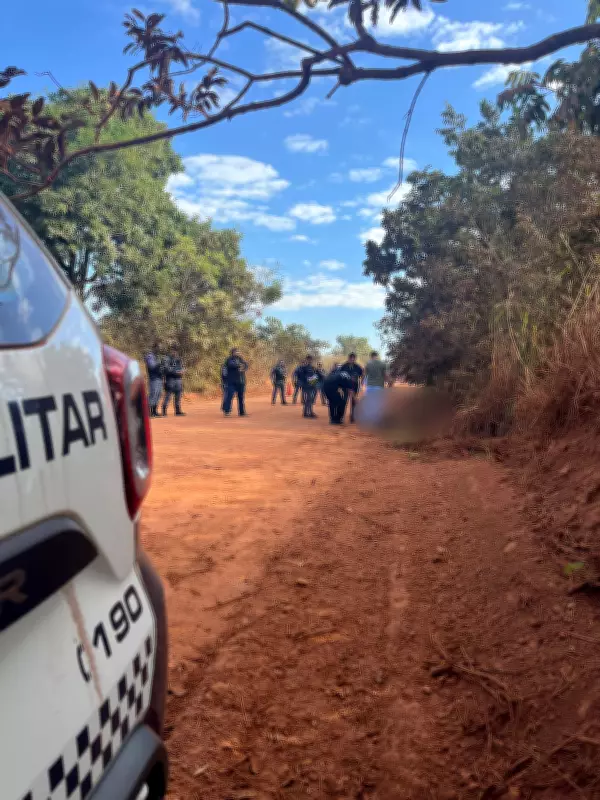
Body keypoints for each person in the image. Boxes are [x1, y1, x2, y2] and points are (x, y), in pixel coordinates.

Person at [222, 347, 248, 416]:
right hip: (231, 382)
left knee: (241, 397)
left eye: (239, 352)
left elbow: (246, 365)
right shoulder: (229, 360)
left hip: (241, 382)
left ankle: (242, 412)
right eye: (236, 352)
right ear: (233, 353)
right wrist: (224, 381)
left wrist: (243, 367)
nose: (238, 353)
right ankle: (227, 411)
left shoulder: (241, 359)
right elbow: (231, 366)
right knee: (230, 396)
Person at [340, 352, 364, 423]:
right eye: (351, 358)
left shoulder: (358, 367)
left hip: (355, 387)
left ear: (355, 358)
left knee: (353, 402)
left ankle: (352, 417)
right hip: (345, 387)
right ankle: (341, 417)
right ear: (349, 358)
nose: (352, 359)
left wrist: (362, 381)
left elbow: (362, 374)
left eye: (353, 358)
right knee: (344, 402)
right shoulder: (344, 366)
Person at [162, 346, 185, 417]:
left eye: (176, 351)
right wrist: (176, 372)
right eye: (173, 351)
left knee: (178, 395)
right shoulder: (166, 359)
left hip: (178, 379)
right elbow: (166, 369)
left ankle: (178, 411)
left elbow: (182, 367)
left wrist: (183, 371)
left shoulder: (178, 359)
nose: (174, 352)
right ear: (170, 351)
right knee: (168, 395)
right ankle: (164, 411)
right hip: (170, 379)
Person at [144, 341, 163, 417]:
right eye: (159, 347)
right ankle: (148, 412)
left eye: (160, 348)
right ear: (154, 347)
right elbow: (151, 366)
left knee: (158, 395)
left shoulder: (157, 356)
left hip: (159, 378)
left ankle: (154, 411)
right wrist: (160, 364)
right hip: (153, 378)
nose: (160, 349)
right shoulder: (150, 356)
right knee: (153, 395)